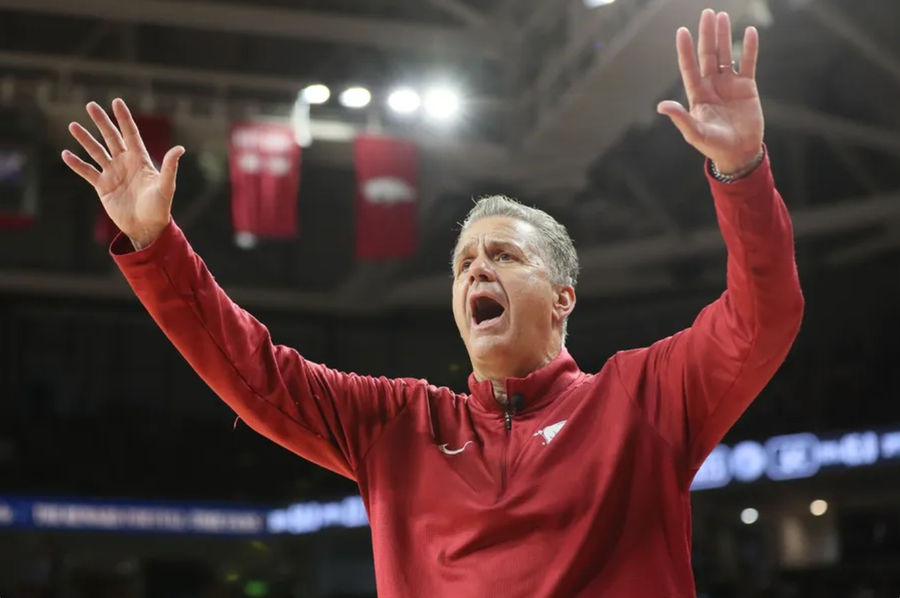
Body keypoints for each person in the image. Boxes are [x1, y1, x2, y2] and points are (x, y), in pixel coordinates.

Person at [62, 9, 803, 597]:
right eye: (463, 264)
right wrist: (157, 244)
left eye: (504, 256)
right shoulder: (398, 427)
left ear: (563, 296)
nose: (477, 268)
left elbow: (762, 316)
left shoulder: (642, 400)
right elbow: (255, 374)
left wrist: (740, 170)